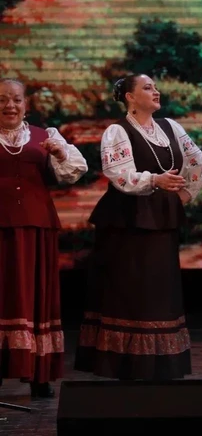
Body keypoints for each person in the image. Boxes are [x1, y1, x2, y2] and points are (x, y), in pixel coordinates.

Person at [74, 74, 202, 380]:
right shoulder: (117, 131)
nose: (156, 92)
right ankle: (127, 365)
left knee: (160, 292)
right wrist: (154, 180)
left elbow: (196, 159)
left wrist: (186, 194)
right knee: (131, 292)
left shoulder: (171, 127)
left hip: (160, 219)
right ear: (130, 97)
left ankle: (159, 365)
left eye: (156, 87)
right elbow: (118, 173)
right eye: (148, 88)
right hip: (127, 221)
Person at [0, 78, 87, 397]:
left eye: (16, 99)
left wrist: (60, 153)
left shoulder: (44, 136)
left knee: (36, 296)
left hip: (37, 227)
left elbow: (74, 170)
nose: (10, 105)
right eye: (2, 99)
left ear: (26, 104)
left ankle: (38, 374)